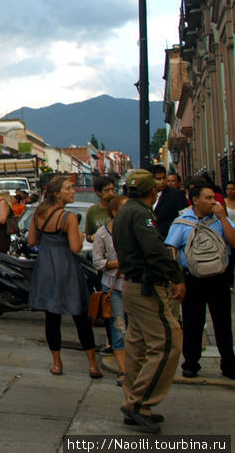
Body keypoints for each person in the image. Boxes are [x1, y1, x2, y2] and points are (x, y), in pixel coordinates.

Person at [113, 169, 185, 434]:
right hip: (146, 285)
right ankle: (138, 403)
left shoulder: (124, 212)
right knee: (168, 341)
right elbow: (155, 250)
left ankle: (135, 404)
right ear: (152, 192)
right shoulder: (141, 214)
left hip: (131, 284)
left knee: (137, 345)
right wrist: (176, 276)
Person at [28, 176, 101, 378]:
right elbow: (76, 248)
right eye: (69, 188)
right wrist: (77, 232)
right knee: (80, 316)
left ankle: (57, 363)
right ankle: (93, 364)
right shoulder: (68, 217)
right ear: (57, 193)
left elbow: (32, 240)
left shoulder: (38, 214)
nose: (73, 190)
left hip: (46, 267)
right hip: (66, 267)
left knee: (52, 317)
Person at [164, 181, 235, 380]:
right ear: (195, 200)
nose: (214, 201)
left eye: (214, 197)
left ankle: (229, 363)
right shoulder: (182, 222)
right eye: (208, 198)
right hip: (192, 278)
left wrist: (223, 218)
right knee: (193, 322)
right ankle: (191, 363)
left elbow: (233, 241)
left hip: (218, 278)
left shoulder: (220, 219)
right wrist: (176, 279)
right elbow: (171, 249)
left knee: (223, 322)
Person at [91, 194, 129, 385]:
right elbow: (97, 261)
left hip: (133, 285)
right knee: (118, 327)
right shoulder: (103, 233)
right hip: (113, 286)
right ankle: (123, 370)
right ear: (115, 212)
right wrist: (117, 264)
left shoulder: (134, 230)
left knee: (135, 328)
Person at [150, 165, 188, 240]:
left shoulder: (176, 194)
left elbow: (184, 218)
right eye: (158, 179)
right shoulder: (146, 195)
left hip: (170, 238)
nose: (162, 181)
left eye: (164, 178)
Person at [84, 176, 116, 243]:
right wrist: (93, 237)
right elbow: (88, 236)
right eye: (107, 190)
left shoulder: (119, 207)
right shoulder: (92, 211)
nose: (111, 193)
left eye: (112, 189)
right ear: (98, 192)